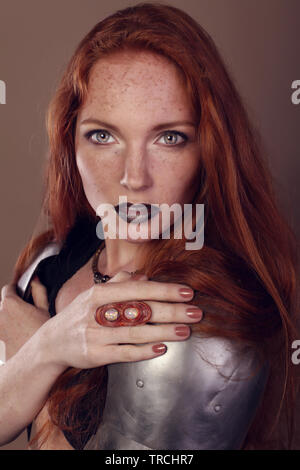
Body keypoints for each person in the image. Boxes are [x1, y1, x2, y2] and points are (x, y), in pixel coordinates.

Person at [0, 2, 298, 450]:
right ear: (69, 142)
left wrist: (41, 352)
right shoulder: (50, 261)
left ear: (209, 152)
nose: (133, 177)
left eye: (169, 137)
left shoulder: (197, 324)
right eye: (103, 136)